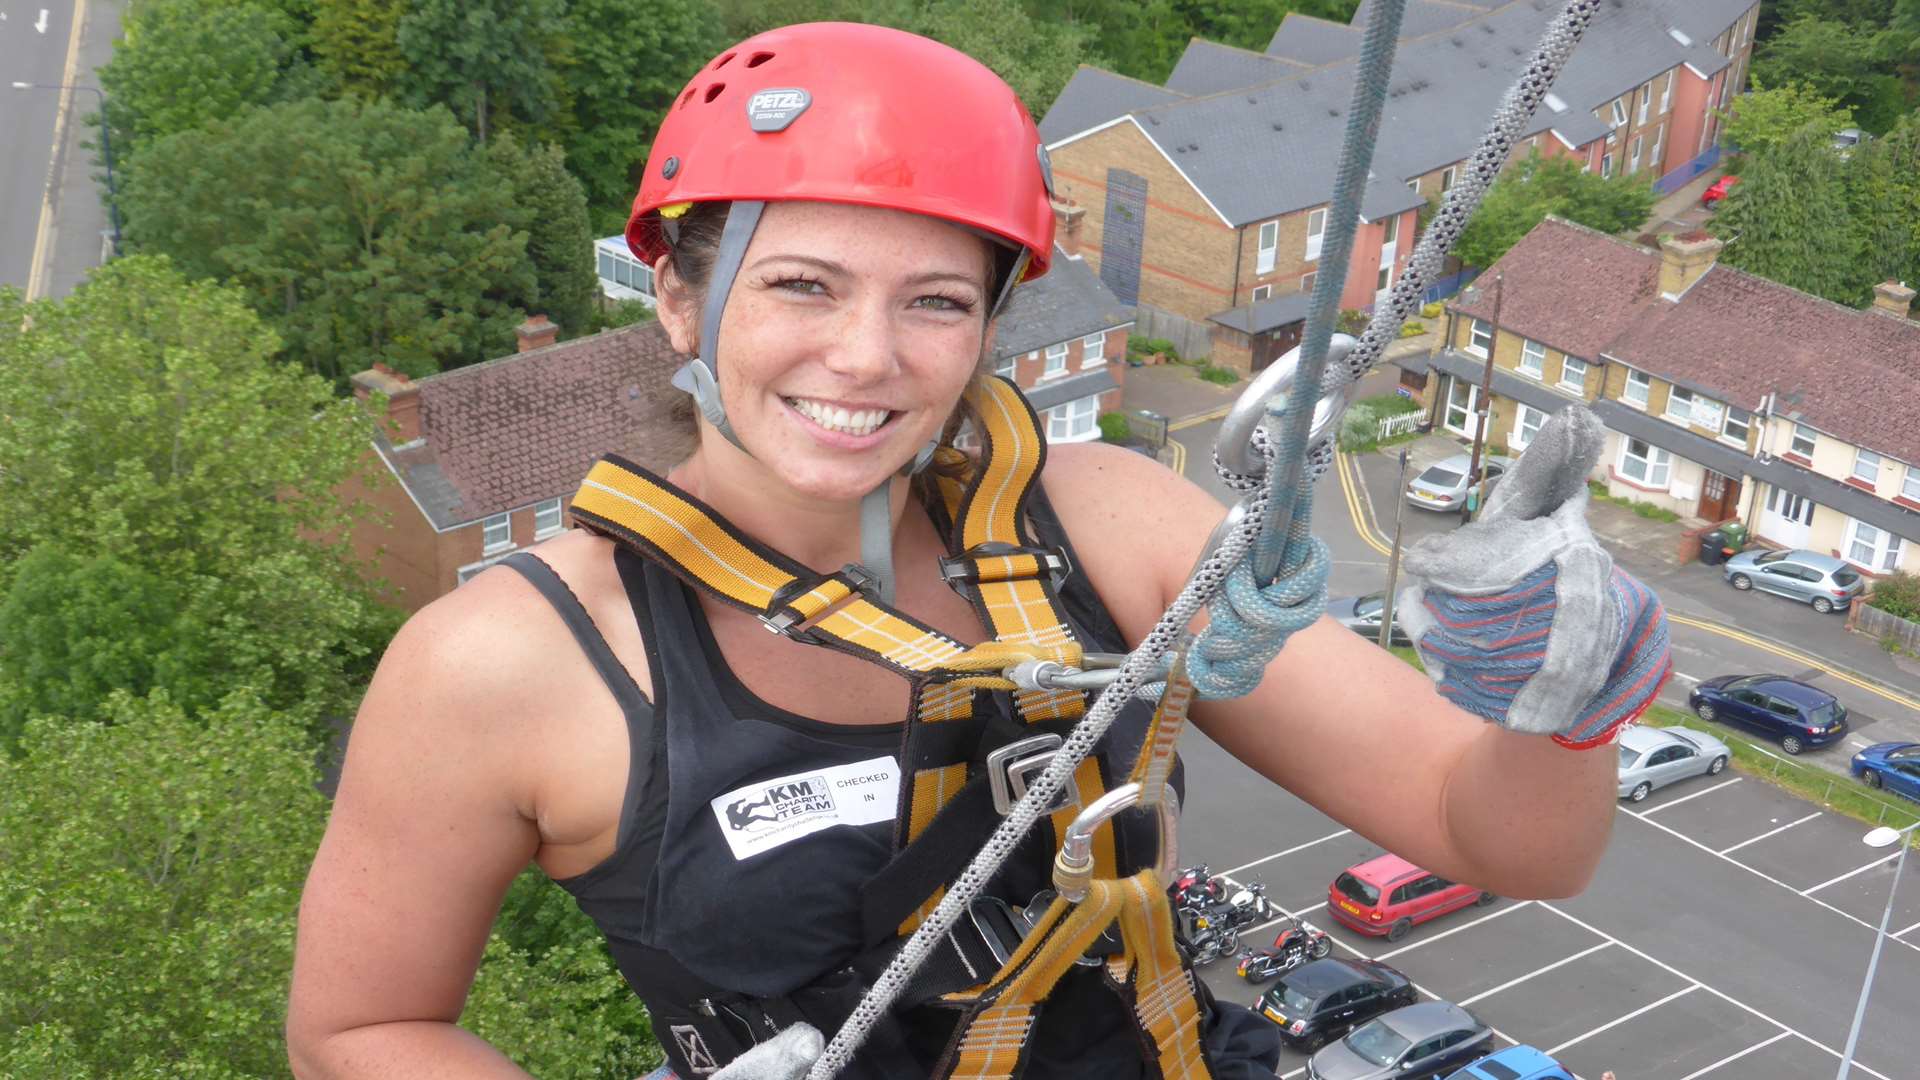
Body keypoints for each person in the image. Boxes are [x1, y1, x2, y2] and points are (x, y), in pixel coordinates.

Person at [285, 22, 1667, 1080]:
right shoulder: (509, 668)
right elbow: (358, 1028)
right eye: (801, 285)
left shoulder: (1106, 524)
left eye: (936, 301)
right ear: (677, 295)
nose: (867, 358)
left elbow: (1500, 840)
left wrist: (1563, 699)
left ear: (992, 323)